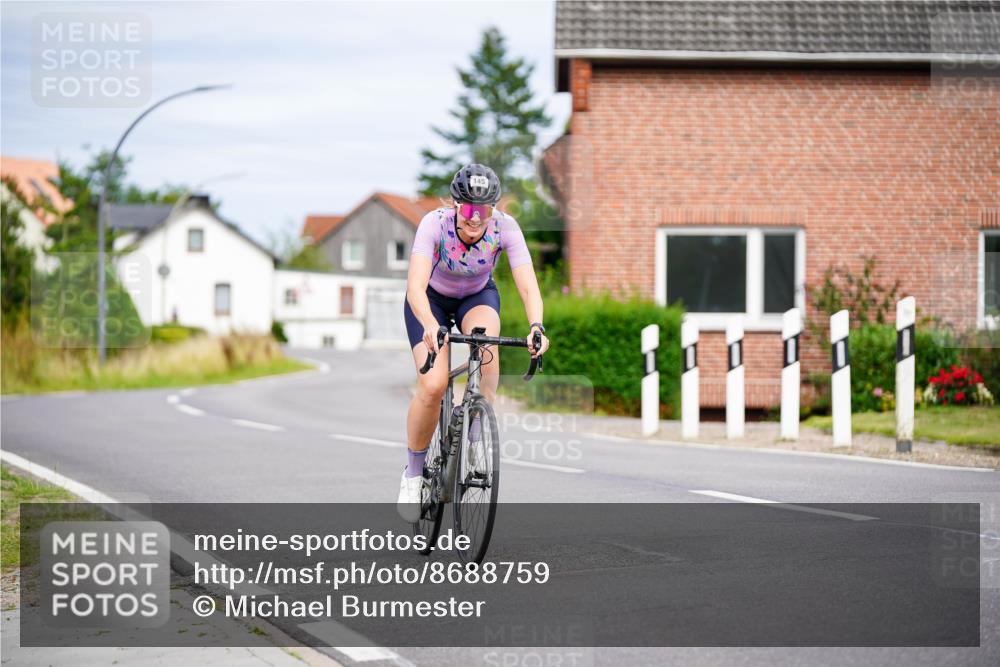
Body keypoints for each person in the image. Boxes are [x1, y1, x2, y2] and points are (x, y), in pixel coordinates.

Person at [398, 163, 549, 521]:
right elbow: (415, 287)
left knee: (488, 352)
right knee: (434, 385)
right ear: (454, 205)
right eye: (468, 209)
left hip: (477, 296)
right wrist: (431, 324)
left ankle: (474, 430)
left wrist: (537, 326)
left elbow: (528, 284)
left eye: (484, 210)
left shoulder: (506, 229)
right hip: (431, 300)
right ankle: (414, 474)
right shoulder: (433, 224)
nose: (476, 219)